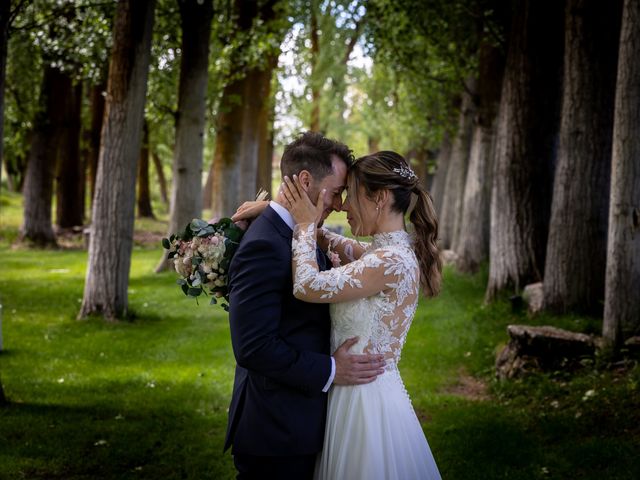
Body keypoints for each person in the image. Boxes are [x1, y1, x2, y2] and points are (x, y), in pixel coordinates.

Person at [224, 131, 387, 480]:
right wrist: (331, 370)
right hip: (276, 430)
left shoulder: (300, 231)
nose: (341, 204)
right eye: (336, 191)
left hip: (298, 423)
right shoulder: (266, 244)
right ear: (304, 180)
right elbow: (253, 347)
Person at [277, 150, 443, 479]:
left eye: (349, 196)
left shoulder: (389, 260)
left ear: (379, 198)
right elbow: (341, 244)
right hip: (358, 391)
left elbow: (307, 285)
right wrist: (273, 212)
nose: (342, 206)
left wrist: (305, 226)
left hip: (364, 405)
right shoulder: (389, 250)